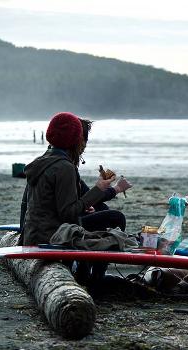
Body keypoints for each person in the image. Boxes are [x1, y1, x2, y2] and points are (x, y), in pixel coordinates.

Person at [18, 112, 132, 281]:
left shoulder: (42, 161)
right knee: (116, 218)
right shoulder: (64, 167)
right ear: (75, 140)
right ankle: (95, 280)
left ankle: (86, 273)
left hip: (34, 234)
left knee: (100, 214)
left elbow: (28, 204)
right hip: (51, 236)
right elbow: (68, 213)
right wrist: (99, 188)